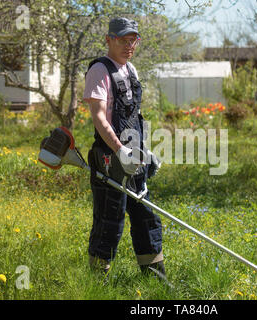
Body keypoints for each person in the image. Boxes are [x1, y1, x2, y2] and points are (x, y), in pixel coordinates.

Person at [83, 17, 165, 279]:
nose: (129, 45)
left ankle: (155, 280)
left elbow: (135, 116)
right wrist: (120, 151)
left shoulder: (131, 70)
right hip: (110, 157)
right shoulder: (99, 70)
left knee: (146, 218)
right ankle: (97, 284)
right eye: (123, 40)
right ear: (109, 40)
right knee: (109, 221)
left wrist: (145, 151)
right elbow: (99, 117)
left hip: (135, 156)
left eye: (133, 40)